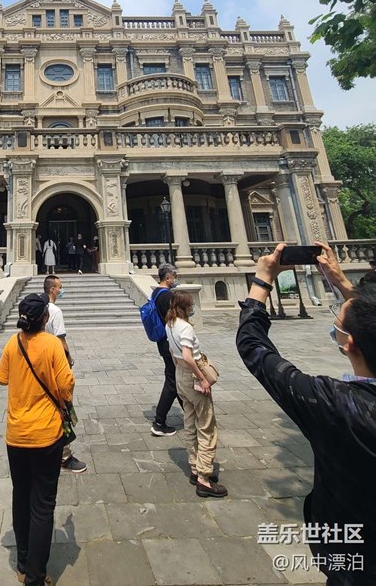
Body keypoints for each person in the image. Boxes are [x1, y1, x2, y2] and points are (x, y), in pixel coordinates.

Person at [237, 241, 376, 584]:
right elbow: (366, 322)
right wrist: (341, 282)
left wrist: (261, 280)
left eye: (338, 315)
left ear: (349, 344)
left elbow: (254, 346)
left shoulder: (334, 405)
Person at [0, 293, 75, 586]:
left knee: (21, 497)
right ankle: (35, 577)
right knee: (42, 505)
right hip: (46, 435)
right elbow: (66, 386)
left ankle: (22, 564)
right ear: (45, 318)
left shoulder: (12, 342)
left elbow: (2, 378)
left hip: (16, 434)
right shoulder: (52, 344)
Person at [166, 290, 227, 498]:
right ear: (185, 307)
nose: (193, 307)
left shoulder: (170, 324)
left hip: (180, 375)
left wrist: (180, 370)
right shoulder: (185, 327)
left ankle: (194, 467)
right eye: (191, 305)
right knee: (207, 425)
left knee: (190, 422)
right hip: (193, 375)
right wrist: (202, 378)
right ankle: (203, 477)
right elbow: (188, 356)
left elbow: (173, 353)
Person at [43, 274, 87, 474]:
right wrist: (69, 360)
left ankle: (45, 447)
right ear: (53, 289)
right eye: (59, 287)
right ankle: (65, 455)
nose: (61, 290)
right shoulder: (55, 311)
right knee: (63, 408)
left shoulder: (41, 310)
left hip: (41, 365)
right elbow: (61, 341)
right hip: (56, 365)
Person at [151, 263, 184, 437]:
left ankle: (191, 412)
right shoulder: (167, 295)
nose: (175, 280)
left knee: (176, 378)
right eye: (174, 277)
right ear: (168, 277)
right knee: (173, 380)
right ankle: (159, 421)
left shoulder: (156, 292)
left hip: (163, 341)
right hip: (170, 342)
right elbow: (173, 319)